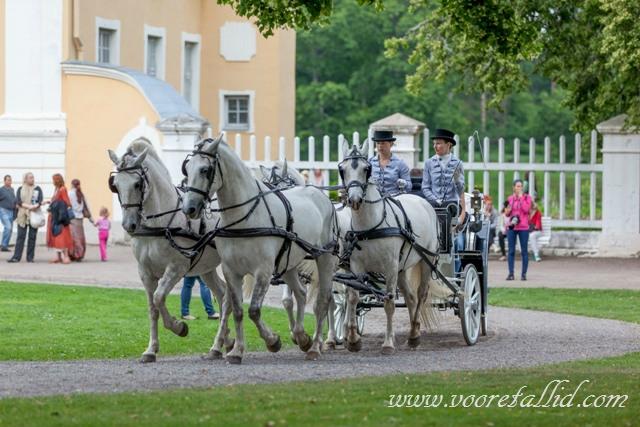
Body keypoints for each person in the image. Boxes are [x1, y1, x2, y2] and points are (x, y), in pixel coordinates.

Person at [421, 128, 466, 272]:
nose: (435, 146)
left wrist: (457, 180)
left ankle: (455, 269)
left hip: (451, 207)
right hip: (433, 207)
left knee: (457, 243)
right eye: (434, 143)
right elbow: (425, 187)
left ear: (449, 145)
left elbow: (460, 190)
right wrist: (434, 199)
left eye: (439, 143)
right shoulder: (429, 163)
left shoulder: (457, 163)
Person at [8, 172, 43, 263]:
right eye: (30, 178)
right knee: (20, 237)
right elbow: (18, 201)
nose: (32, 179)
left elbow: (39, 201)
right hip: (22, 216)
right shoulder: (20, 189)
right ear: (26, 179)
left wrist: (33, 207)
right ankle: (16, 257)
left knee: (32, 237)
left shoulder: (37, 189)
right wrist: (29, 206)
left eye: (33, 177)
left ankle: (30, 258)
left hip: (33, 215)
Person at [369, 130, 411, 196]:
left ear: (391, 144)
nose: (380, 146)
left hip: (394, 199)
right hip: (374, 200)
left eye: (383, 143)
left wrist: (404, 183)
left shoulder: (400, 164)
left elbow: (409, 187)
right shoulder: (370, 163)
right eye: (378, 143)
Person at [505, 179, 532, 281]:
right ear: (514, 187)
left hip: (523, 227)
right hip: (512, 227)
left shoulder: (527, 198)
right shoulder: (510, 198)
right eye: (517, 186)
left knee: (524, 251)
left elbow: (526, 210)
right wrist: (508, 210)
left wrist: (521, 198)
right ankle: (511, 273)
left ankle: (523, 274)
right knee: (511, 251)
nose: (519, 188)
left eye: (521, 186)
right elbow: (507, 213)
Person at [44, 174, 73, 264]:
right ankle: (58, 257)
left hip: (60, 218)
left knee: (62, 236)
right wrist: (51, 202)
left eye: (54, 180)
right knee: (56, 235)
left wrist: (56, 206)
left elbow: (67, 202)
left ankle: (66, 256)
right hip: (54, 216)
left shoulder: (62, 189)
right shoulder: (57, 189)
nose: (52, 181)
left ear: (57, 180)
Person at [68, 179, 93, 261]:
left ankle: (75, 254)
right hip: (80, 218)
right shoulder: (81, 194)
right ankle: (81, 254)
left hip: (72, 218)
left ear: (72, 184)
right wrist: (91, 218)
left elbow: (67, 205)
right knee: (81, 237)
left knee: (74, 237)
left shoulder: (70, 193)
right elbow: (86, 206)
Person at [0, 174, 16, 252]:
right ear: (5, 181)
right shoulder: (1, 190)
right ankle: (3, 245)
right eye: (8, 180)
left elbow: (14, 200)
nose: (9, 181)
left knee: (10, 229)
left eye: (10, 180)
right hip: (3, 210)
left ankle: (4, 246)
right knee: (8, 227)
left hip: (11, 211)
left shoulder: (12, 189)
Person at [529, 193, 543, 262]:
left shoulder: (537, 212)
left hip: (537, 231)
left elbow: (538, 225)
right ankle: (523, 253)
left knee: (532, 236)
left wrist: (534, 227)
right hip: (528, 231)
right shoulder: (526, 213)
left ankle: (536, 254)